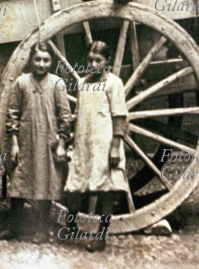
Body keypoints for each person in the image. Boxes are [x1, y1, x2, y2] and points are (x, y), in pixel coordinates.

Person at [0, 42, 71, 242]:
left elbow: (65, 118)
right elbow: (12, 115)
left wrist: (62, 144)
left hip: (48, 141)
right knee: (19, 183)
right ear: (31, 60)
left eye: (46, 60)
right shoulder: (21, 82)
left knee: (45, 183)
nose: (41, 64)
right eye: (37, 59)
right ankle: (13, 228)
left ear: (51, 62)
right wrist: (14, 143)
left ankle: (41, 229)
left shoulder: (58, 83)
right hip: (25, 140)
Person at [62, 41, 129, 252]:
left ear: (107, 61)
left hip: (104, 143)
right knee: (76, 183)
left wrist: (116, 147)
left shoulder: (114, 83)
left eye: (98, 60)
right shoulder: (83, 83)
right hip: (84, 142)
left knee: (105, 189)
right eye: (90, 60)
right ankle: (71, 227)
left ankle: (101, 237)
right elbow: (80, 114)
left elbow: (119, 116)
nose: (93, 64)